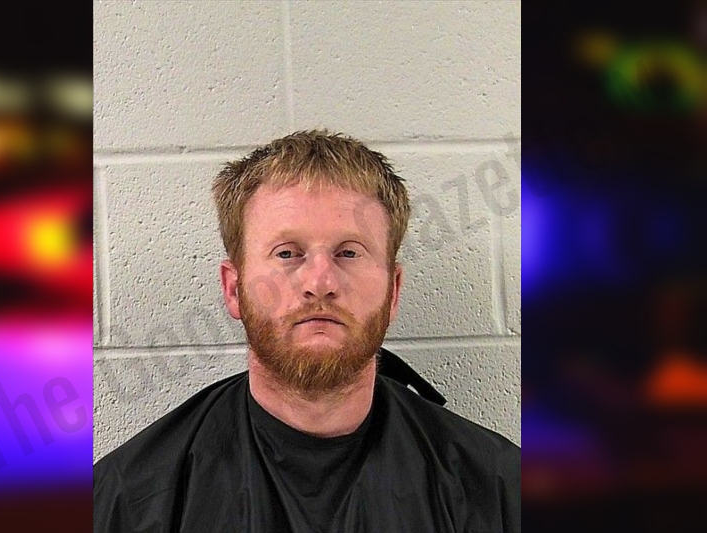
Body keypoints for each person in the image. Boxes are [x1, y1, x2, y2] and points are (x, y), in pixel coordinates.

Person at [93, 130, 520, 532]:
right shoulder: (129, 501)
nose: (320, 282)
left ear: (393, 291)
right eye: (287, 253)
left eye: (348, 252)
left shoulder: (497, 489)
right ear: (234, 289)